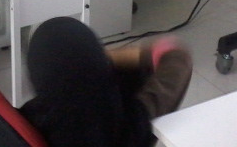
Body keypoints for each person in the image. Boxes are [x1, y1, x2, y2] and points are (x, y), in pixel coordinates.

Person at [20, 17, 193, 147]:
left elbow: (68, 74)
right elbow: (177, 57)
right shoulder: (129, 126)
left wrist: (88, 61)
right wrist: (102, 59)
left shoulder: (31, 121)